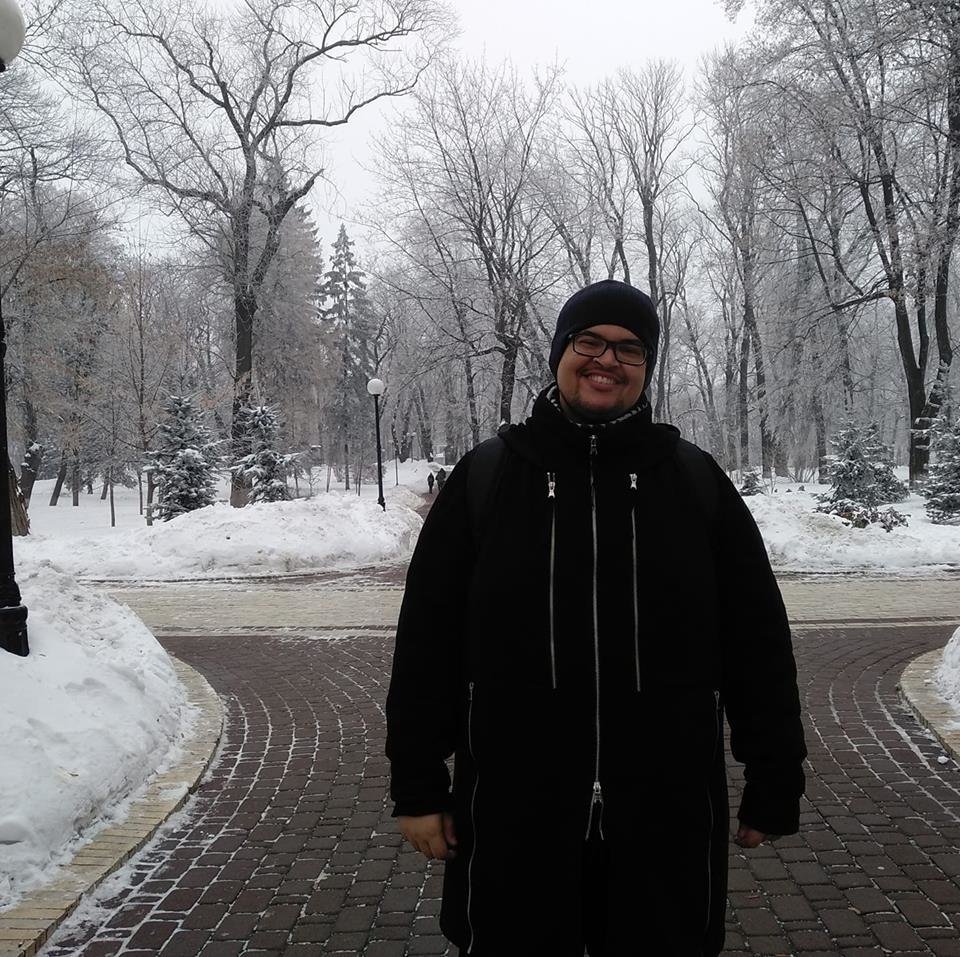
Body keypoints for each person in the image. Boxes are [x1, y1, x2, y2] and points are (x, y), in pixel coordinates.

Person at [385, 279, 806, 956]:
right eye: (589, 341)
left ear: (647, 367)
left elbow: (756, 642)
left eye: (629, 348)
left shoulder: (692, 482)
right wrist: (417, 786)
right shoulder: (490, 478)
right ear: (560, 351)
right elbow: (427, 644)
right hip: (515, 817)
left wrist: (775, 775)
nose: (607, 359)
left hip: (666, 821)